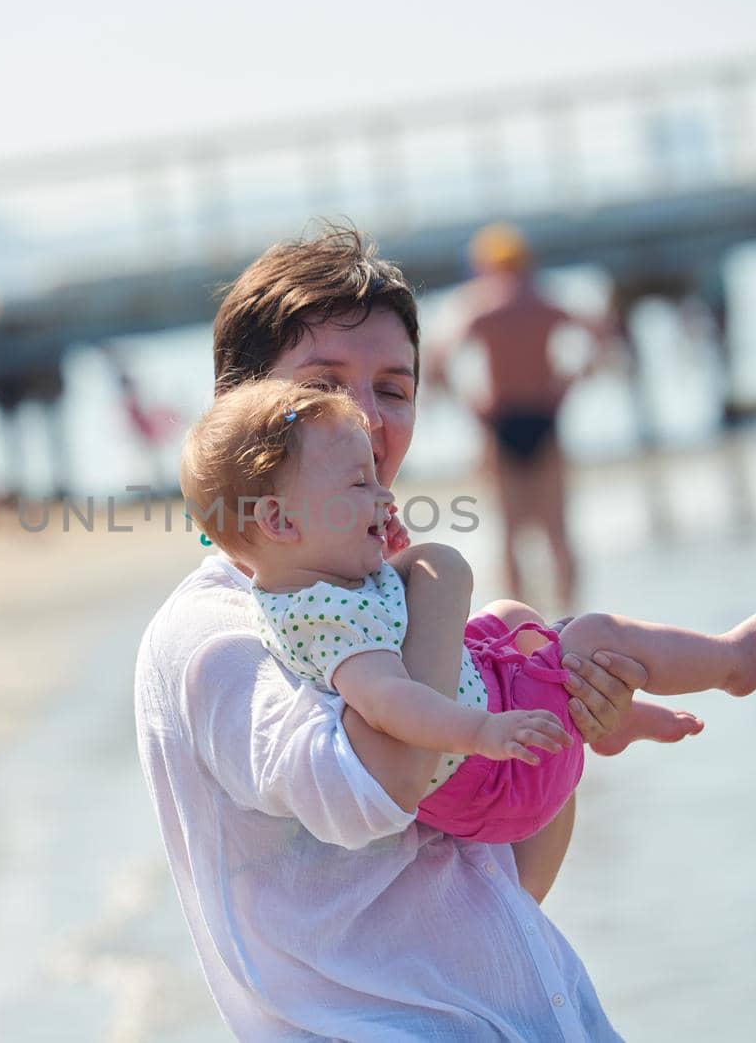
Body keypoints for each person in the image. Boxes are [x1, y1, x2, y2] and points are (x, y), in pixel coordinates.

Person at [135, 226, 652, 1039]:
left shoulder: (371, 592)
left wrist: (556, 734)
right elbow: (386, 781)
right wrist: (446, 585)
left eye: (396, 389)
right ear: (242, 412)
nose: (367, 422)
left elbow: (500, 889)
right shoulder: (220, 633)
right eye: (325, 385)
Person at [179, 378, 756, 845]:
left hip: (486, 730)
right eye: (358, 485)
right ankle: (731, 662)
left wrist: (382, 555)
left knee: (508, 615)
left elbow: (392, 628)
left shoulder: (311, 583)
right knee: (590, 633)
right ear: (280, 520)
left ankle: (612, 718)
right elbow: (388, 699)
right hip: (493, 776)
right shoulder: (325, 618)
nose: (384, 493)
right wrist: (483, 733)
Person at [430, 223, 617, 612]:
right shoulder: (544, 302)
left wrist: (472, 405)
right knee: (558, 532)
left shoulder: (480, 306)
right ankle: (570, 617)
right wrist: (569, 383)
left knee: (510, 534)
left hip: (501, 420)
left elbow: (437, 360)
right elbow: (601, 333)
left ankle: (518, 626)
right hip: (543, 416)